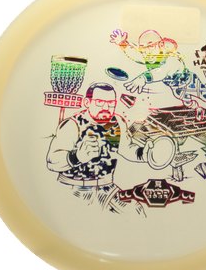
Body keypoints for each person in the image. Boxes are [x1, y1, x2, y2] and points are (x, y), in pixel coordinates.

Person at [46, 83, 151, 216]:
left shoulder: (117, 121)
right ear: (87, 102)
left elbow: (126, 148)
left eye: (111, 104)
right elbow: (52, 161)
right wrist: (76, 157)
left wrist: (144, 153)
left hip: (106, 187)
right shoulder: (73, 124)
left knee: (135, 211)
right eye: (100, 102)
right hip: (74, 187)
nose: (106, 108)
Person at [110, 29, 206, 120]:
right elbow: (135, 54)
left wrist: (143, 78)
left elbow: (163, 72)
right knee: (187, 103)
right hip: (176, 88)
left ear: (161, 45)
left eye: (150, 46)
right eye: (143, 48)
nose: (146, 51)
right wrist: (122, 43)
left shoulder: (172, 58)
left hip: (191, 82)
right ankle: (198, 109)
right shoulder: (149, 57)